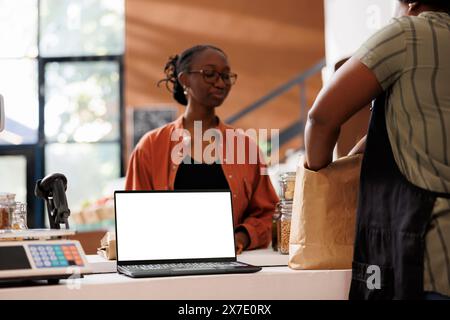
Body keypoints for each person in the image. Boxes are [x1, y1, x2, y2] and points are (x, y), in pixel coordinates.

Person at [304, 0, 450, 299]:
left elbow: (321, 118)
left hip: (425, 248)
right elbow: (414, 129)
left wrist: (318, 175)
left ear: (409, 3)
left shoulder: (407, 33)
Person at [125, 44, 279, 254]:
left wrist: (239, 238)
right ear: (185, 80)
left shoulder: (244, 145)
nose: (220, 82)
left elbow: (267, 212)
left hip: (231, 264)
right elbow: (134, 217)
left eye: (226, 76)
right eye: (209, 74)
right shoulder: (151, 146)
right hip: (166, 265)